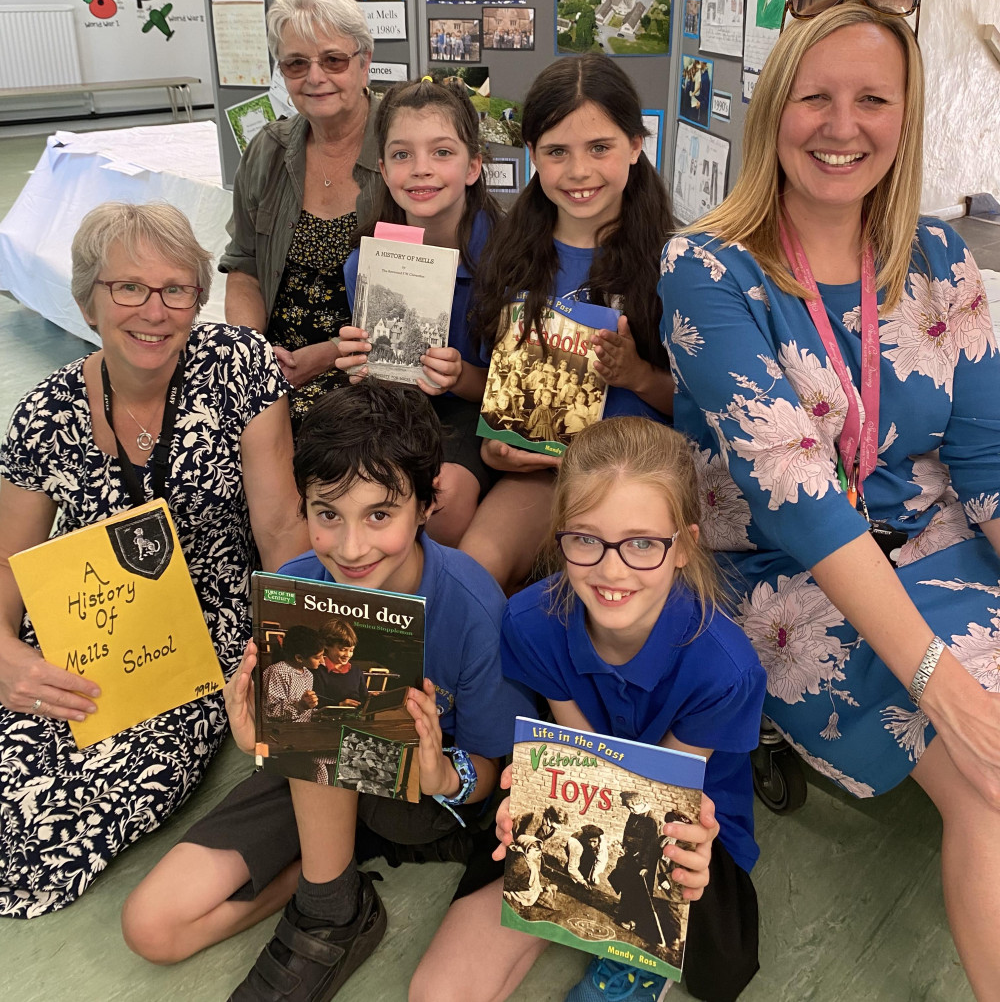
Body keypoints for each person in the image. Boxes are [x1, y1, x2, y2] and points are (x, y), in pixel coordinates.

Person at [659, 0, 1000, 1000]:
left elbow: (985, 462)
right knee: (988, 782)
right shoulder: (707, 267)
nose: (842, 127)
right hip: (796, 576)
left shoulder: (941, 257)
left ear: (907, 114)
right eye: (814, 97)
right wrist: (939, 673)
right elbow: (796, 496)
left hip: (937, 539)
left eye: (873, 100)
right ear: (773, 111)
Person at [122, 381, 532, 1002]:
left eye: (379, 514)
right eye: (327, 514)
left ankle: (329, 905)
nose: (351, 547)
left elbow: (490, 764)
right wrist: (259, 738)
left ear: (426, 507)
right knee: (152, 928)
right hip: (310, 780)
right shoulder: (296, 588)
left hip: (421, 796)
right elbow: (289, 733)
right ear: (305, 508)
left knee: (343, 752)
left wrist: (442, 775)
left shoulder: (473, 607)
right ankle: (336, 882)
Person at [0, 201, 305, 917]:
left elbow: (283, 528)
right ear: (87, 299)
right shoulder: (46, 411)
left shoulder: (240, 366)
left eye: (175, 288)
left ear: (198, 297)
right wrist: (4, 653)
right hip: (84, 622)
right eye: (128, 287)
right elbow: (7, 565)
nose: (154, 308)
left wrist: (286, 648)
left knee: (40, 838)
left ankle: (320, 878)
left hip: (199, 637)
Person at [411, 416, 766, 1002]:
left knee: (722, 966)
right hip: (581, 789)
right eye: (585, 538)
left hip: (680, 816)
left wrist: (650, 864)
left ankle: (630, 953)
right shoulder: (530, 623)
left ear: (684, 547)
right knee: (437, 992)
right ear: (561, 536)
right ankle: (570, 915)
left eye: (643, 543)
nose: (611, 569)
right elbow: (579, 752)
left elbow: (658, 796)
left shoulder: (726, 669)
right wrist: (534, 812)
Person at [464, 54, 675, 591]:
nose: (578, 172)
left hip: (636, 479)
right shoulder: (510, 254)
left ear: (635, 145)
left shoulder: (677, 261)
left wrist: (637, 376)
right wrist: (498, 448)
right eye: (557, 152)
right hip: (538, 477)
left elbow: (706, 409)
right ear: (532, 155)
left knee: (611, 595)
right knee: (470, 575)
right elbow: (498, 394)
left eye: (600, 147)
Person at [336, 78, 504, 545]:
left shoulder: (509, 259)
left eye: (442, 153)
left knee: (443, 503)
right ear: (384, 171)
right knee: (349, 490)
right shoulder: (365, 265)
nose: (421, 170)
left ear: (473, 166)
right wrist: (361, 365)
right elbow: (384, 382)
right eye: (402, 154)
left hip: (475, 414)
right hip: (400, 411)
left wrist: (459, 376)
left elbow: (510, 391)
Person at [219, 0, 382, 428]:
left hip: (372, 375)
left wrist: (328, 356)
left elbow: (425, 293)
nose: (314, 77)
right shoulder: (267, 151)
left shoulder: (403, 145)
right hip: (276, 370)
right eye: (295, 63)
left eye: (333, 59)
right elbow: (245, 265)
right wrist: (253, 354)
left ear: (364, 63)